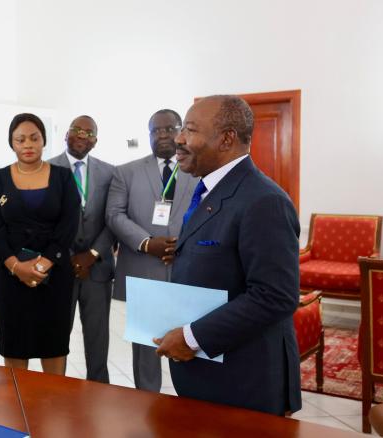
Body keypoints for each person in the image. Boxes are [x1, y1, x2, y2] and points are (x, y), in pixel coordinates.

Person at [153, 95, 301, 415]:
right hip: (207, 377)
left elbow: (275, 295)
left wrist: (191, 337)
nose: (178, 139)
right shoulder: (210, 189)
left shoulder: (264, 201)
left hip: (245, 381)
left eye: (190, 130)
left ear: (226, 139)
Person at [105, 109, 198, 391]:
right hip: (143, 268)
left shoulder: (198, 169)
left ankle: (191, 406)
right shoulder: (126, 172)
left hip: (188, 268)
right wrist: (147, 242)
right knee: (146, 349)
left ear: (181, 131)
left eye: (169, 128)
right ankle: (147, 405)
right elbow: (114, 215)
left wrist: (182, 245)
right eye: (155, 130)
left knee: (191, 342)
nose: (162, 135)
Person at [0, 113, 80, 375]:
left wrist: (43, 264)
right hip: (10, 276)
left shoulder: (63, 177)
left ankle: (54, 404)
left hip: (54, 275)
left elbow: (69, 224)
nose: (28, 144)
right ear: (12, 143)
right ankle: (18, 408)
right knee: (15, 346)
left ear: (44, 141)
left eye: (34, 138)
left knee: (54, 346)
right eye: (20, 139)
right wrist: (16, 267)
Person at [48, 115, 115, 383]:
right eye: (76, 129)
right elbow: (45, 221)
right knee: (56, 337)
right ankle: (56, 389)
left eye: (88, 133)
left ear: (95, 141)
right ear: (66, 134)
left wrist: (93, 253)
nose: (81, 135)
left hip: (97, 270)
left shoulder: (110, 173)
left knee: (98, 339)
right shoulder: (47, 168)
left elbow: (114, 218)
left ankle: (99, 392)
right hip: (60, 269)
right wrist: (67, 256)